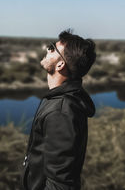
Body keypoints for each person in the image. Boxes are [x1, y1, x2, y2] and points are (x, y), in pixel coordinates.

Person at [21, 29, 97, 190]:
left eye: (53, 48)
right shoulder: (60, 99)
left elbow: (60, 184)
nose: (48, 49)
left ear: (61, 64)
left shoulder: (60, 112)